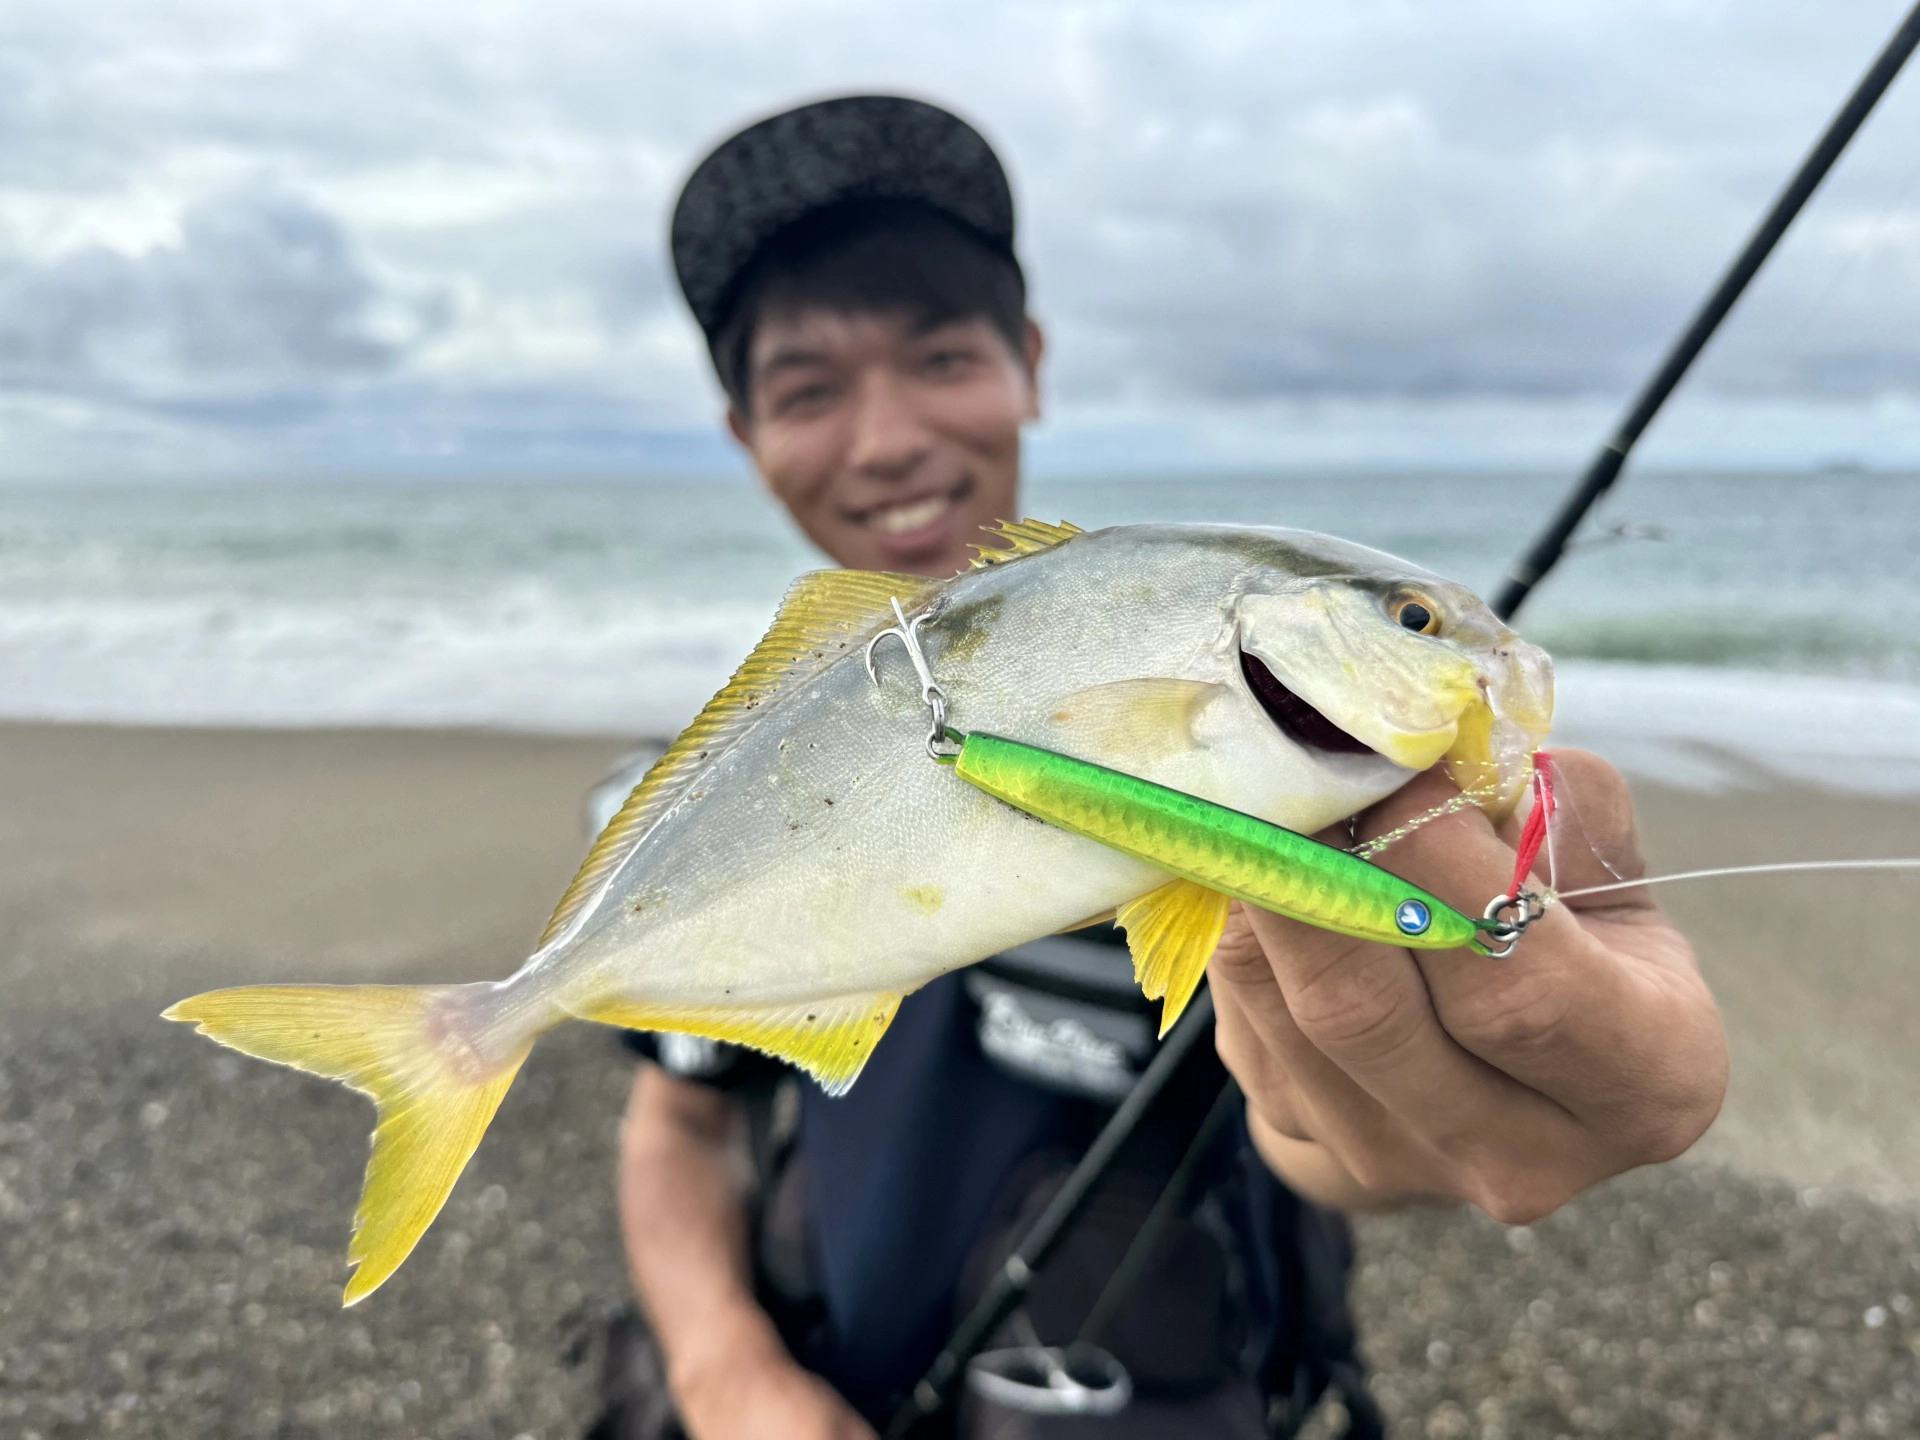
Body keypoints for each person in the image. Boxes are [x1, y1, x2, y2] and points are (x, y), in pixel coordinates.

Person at [599, 95, 1728, 1440]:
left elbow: (1304, 1123)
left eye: (943, 357)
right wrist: (725, 1373)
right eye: (809, 389)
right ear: (742, 433)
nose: (889, 437)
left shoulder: (1315, 772)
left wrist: (1435, 1119)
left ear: (1028, 361)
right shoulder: (694, 799)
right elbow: (684, 1122)